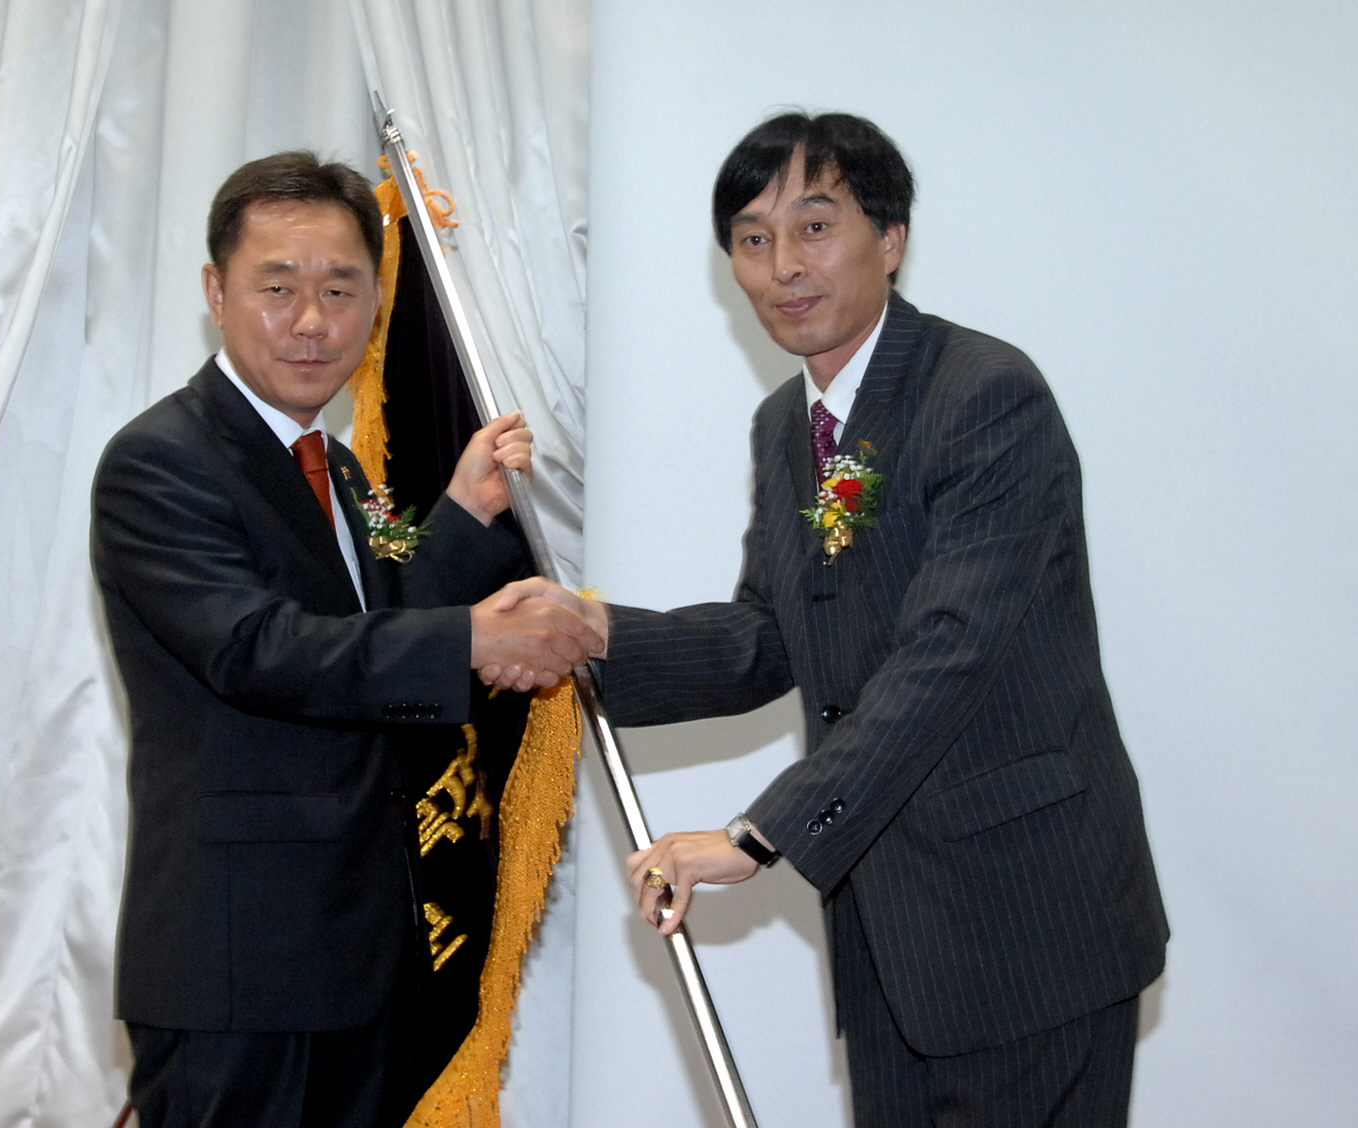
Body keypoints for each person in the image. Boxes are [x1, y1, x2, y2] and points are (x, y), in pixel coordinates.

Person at [495, 112, 1168, 1125]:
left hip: (1027, 924)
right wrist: (596, 636)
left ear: (890, 240)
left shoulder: (986, 396)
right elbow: (769, 637)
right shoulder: (787, 426)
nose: (782, 266)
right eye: (752, 239)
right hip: (888, 931)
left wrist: (758, 835)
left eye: (815, 227)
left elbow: (946, 658)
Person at [90, 151, 601, 1128]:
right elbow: (257, 648)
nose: (312, 320)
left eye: (339, 288)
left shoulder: (341, 469)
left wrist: (462, 512)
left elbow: (373, 624)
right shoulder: (159, 461)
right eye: (277, 287)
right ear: (216, 292)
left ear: (374, 299)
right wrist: (471, 640)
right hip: (238, 971)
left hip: (365, 958)